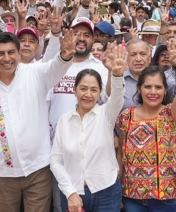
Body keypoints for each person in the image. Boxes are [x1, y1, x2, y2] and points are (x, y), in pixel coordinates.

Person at [0, 31, 76, 212]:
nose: (6, 58)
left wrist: (65, 56)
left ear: (19, 53)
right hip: (2, 173)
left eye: (11, 52)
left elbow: (56, 67)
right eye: (0, 53)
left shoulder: (36, 72)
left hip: (38, 169)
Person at [117, 45, 176, 211]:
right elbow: (121, 154)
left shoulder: (171, 113)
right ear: (139, 89)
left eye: (158, 87)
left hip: (165, 198)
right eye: (147, 87)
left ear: (165, 90)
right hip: (132, 196)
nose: (152, 92)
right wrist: (118, 186)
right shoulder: (126, 116)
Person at [51, 38, 128, 212]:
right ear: (74, 90)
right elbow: (56, 161)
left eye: (94, 90)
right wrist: (70, 193)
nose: (88, 94)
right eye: (83, 88)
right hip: (73, 192)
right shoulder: (64, 120)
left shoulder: (106, 114)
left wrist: (116, 75)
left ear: (100, 92)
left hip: (106, 191)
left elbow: (117, 97)